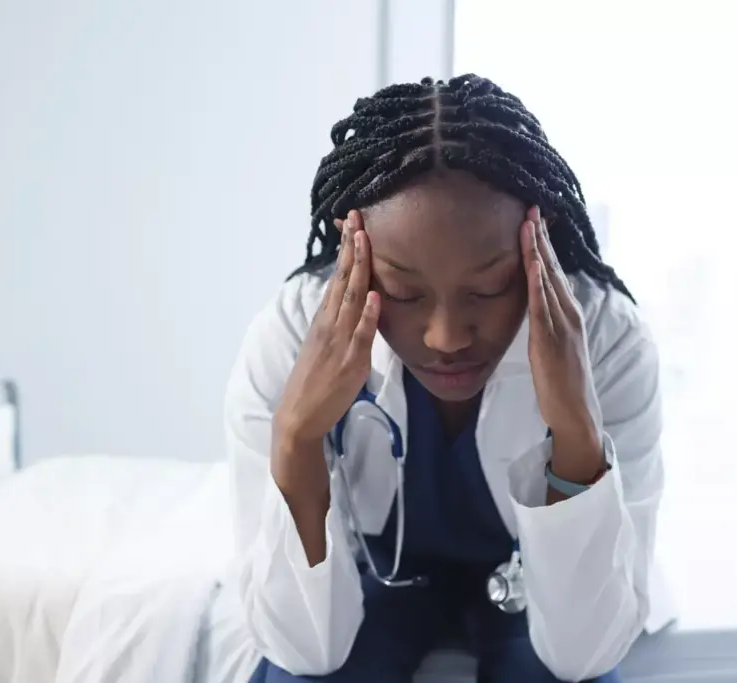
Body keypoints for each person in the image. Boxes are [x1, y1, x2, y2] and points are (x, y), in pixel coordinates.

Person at [225, 74, 665, 683]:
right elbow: (303, 649)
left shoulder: (607, 339)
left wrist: (576, 433)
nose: (447, 338)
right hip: (376, 577)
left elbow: (585, 653)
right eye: (404, 293)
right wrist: (297, 436)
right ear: (354, 252)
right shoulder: (294, 334)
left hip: (536, 583)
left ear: (539, 244)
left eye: (489, 288)